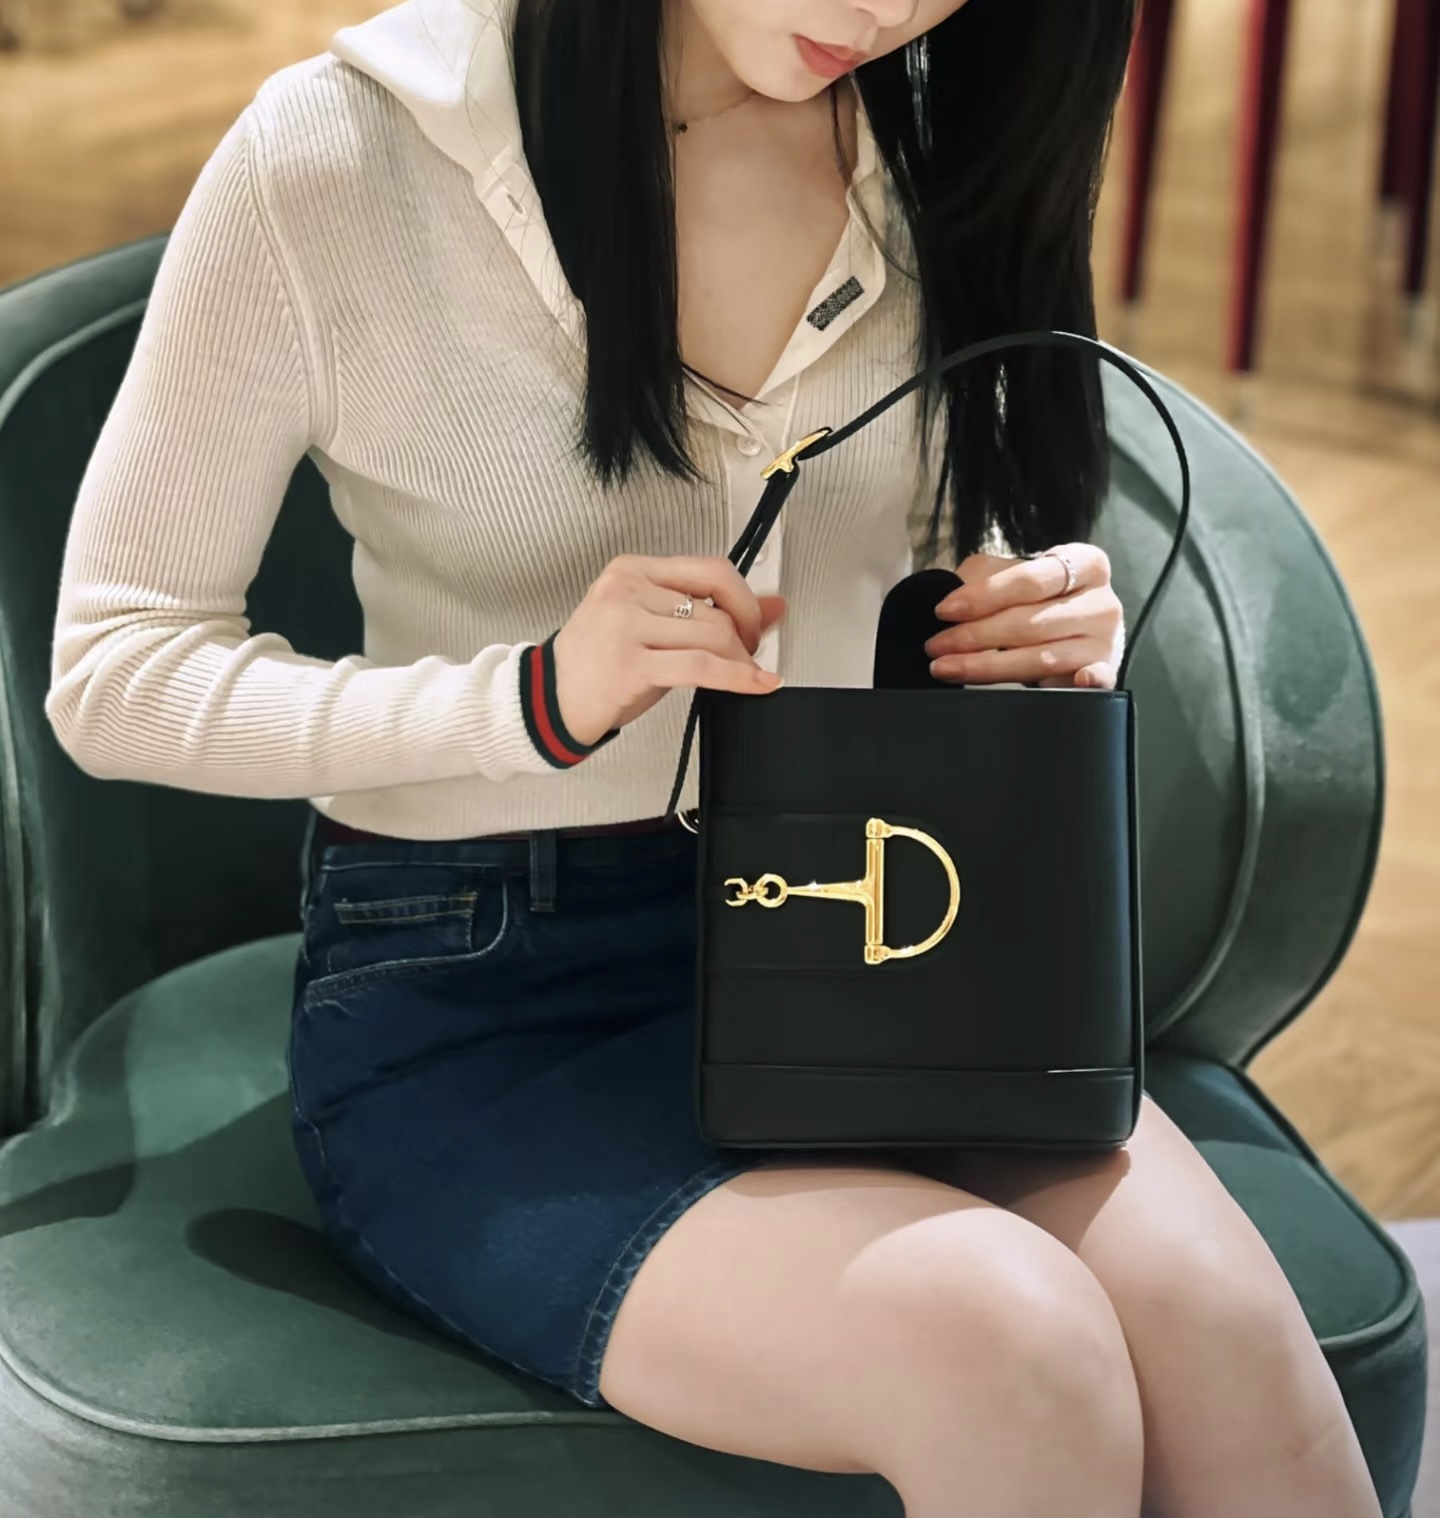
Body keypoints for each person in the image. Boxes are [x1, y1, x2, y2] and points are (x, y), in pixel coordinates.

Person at [43, 1, 1383, 1514]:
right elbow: (114, 669)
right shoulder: (343, 154)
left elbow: (944, 533)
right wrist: (531, 701)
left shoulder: (938, 139)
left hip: (884, 947)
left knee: (1224, 1332)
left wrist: (1033, 622)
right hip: (493, 997)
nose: (883, 8)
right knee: (1013, 1347)